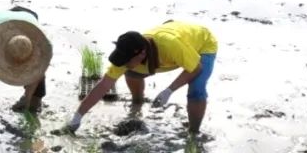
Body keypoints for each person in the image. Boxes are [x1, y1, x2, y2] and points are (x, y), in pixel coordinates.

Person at [69, 21, 218, 135]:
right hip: (172, 36)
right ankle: (137, 102)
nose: (124, 64)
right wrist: (78, 115)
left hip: (201, 44)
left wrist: (169, 90)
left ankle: (193, 133)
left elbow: (196, 68)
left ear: (140, 54)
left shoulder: (171, 46)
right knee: (132, 72)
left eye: (127, 60)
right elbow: (103, 86)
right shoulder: (128, 53)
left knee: (196, 89)